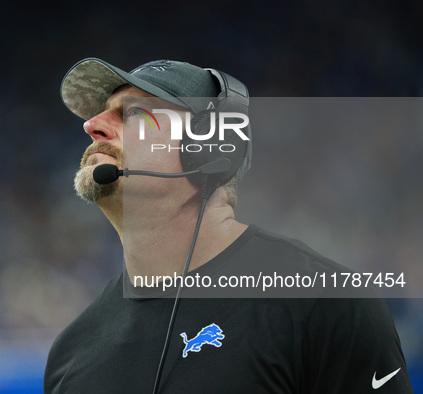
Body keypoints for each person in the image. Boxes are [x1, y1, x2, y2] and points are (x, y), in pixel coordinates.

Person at [44, 57, 413, 393]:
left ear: (210, 147)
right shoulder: (70, 352)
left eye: (136, 114)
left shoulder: (323, 305)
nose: (91, 125)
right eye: (100, 114)